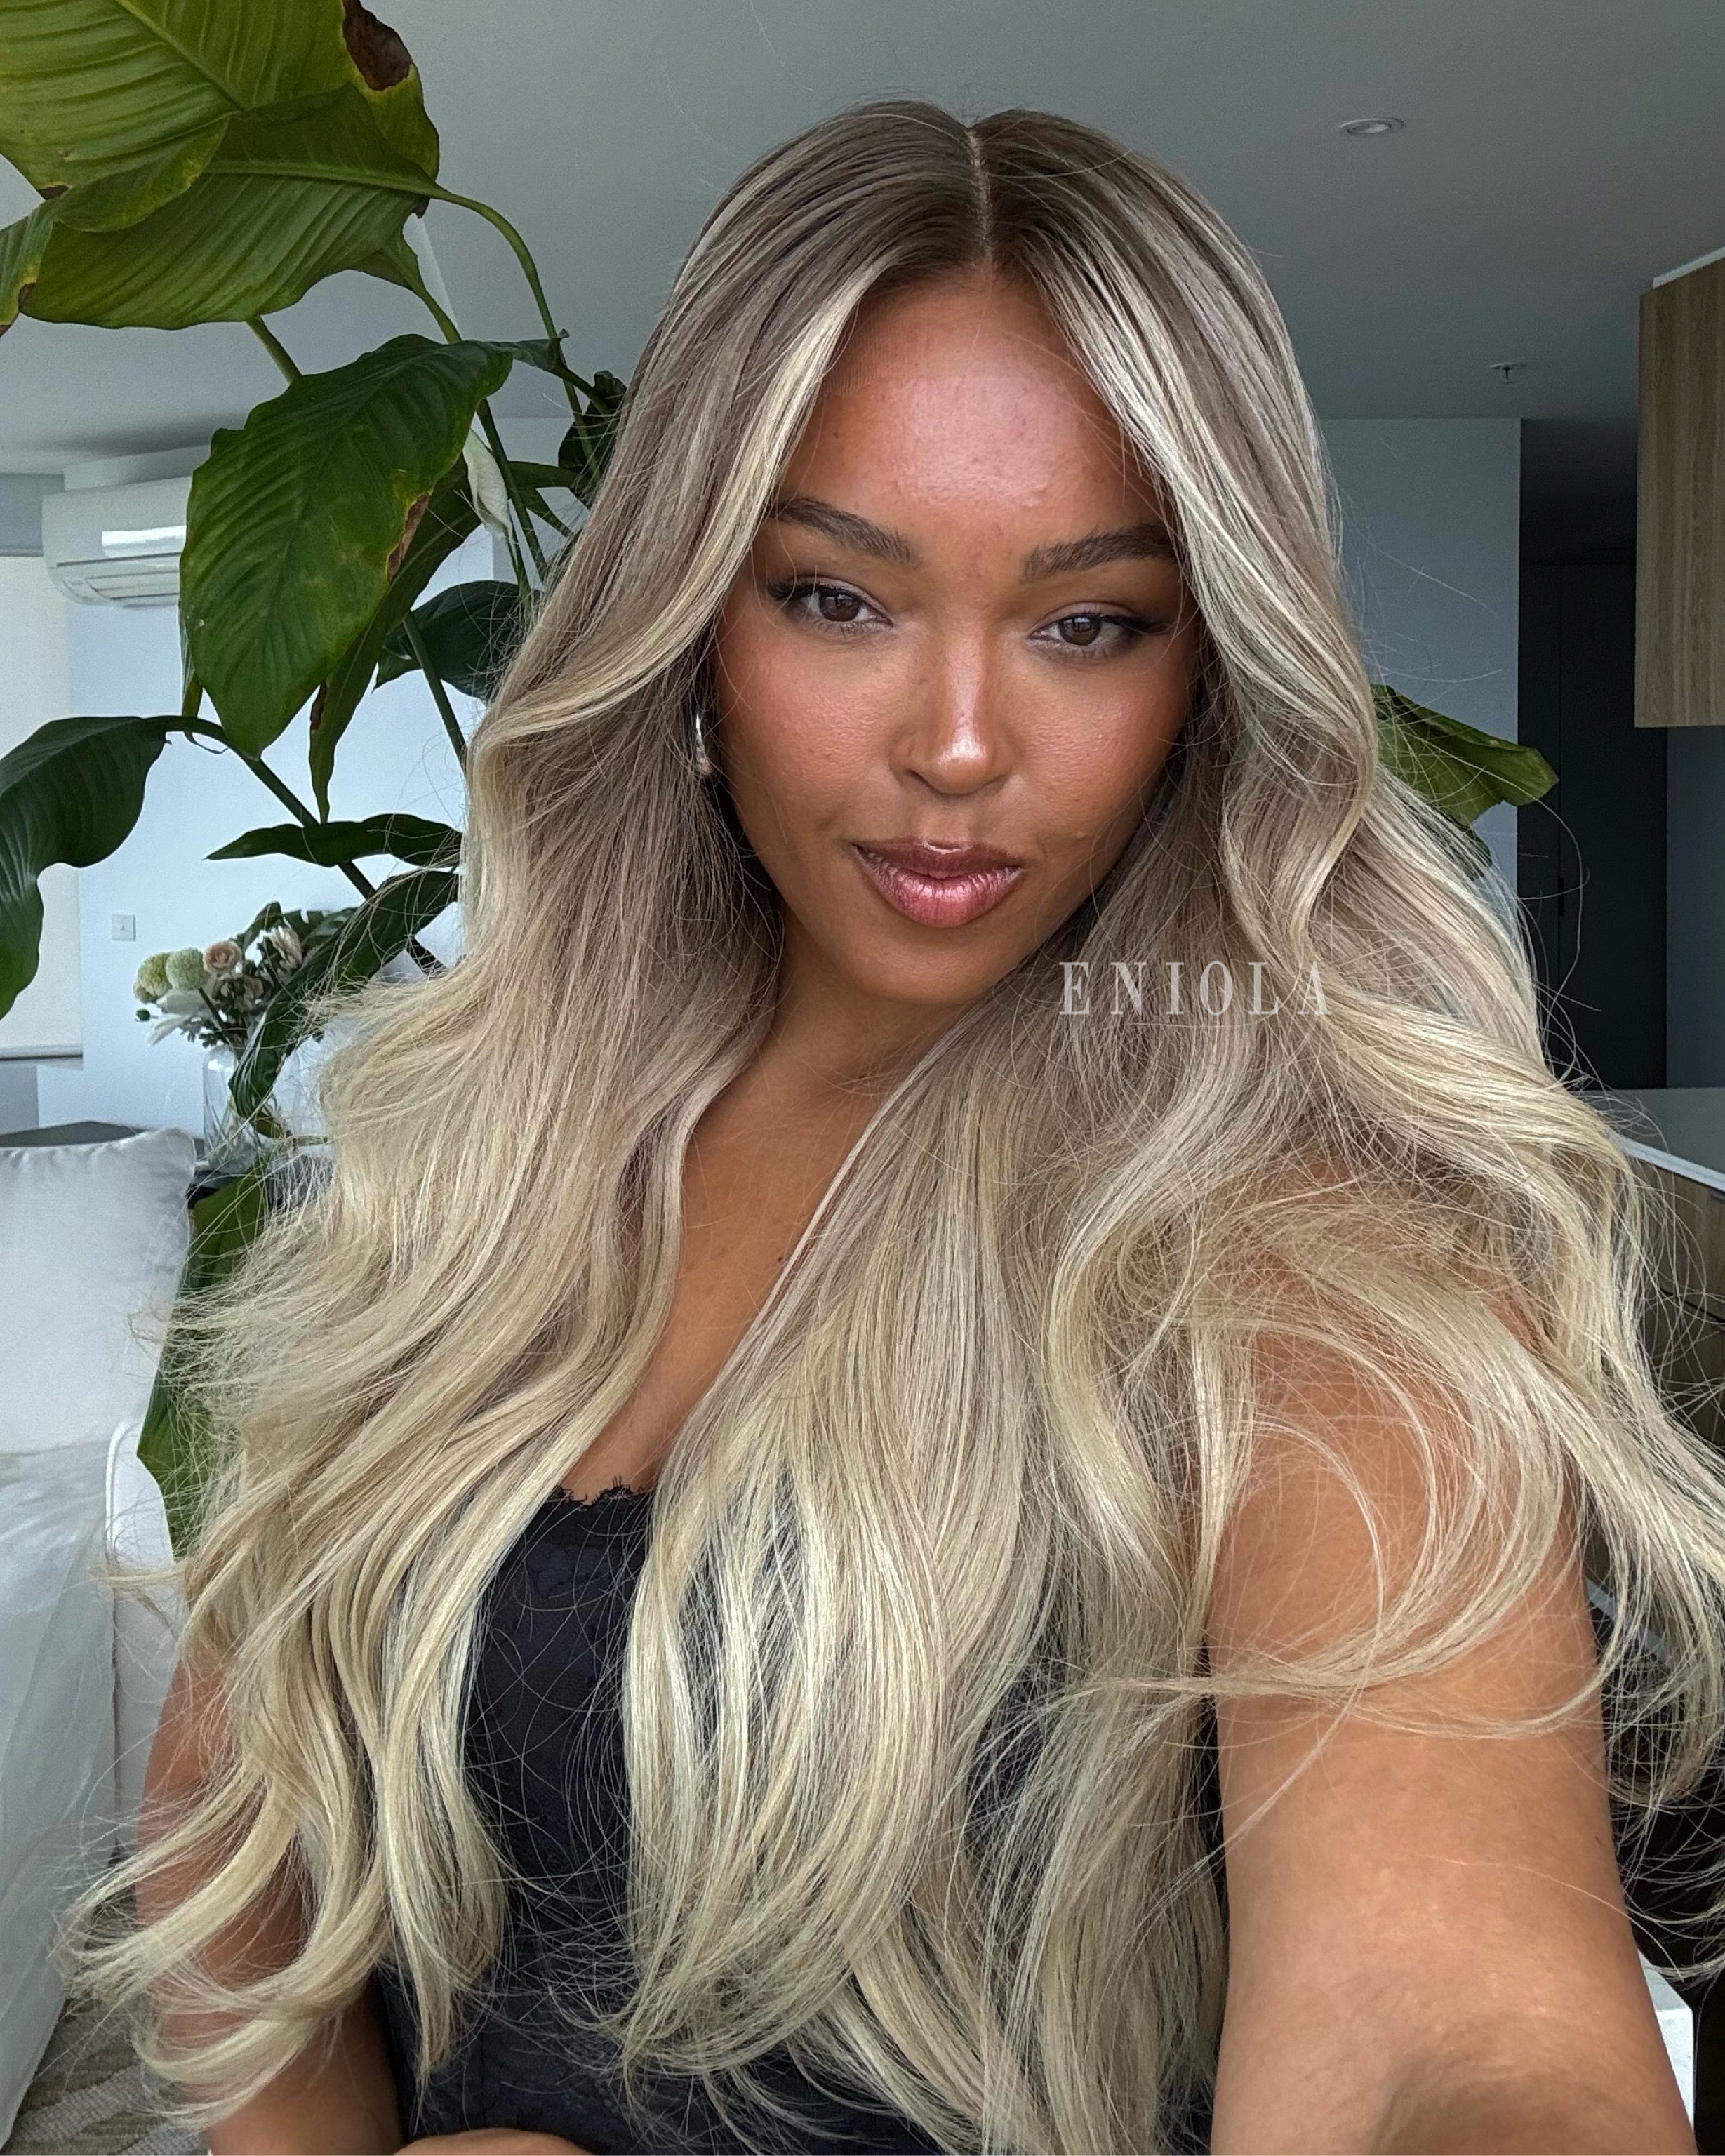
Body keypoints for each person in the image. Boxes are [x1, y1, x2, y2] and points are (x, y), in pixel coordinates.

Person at [60, 99, 1725, 2155]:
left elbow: (1445, 2050)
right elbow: (236, 1840)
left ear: (1208, 676)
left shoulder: (1300, 1240)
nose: (956, 744)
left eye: (1086, 622)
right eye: (838, 600)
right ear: (691, 621)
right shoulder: (485, 1149)